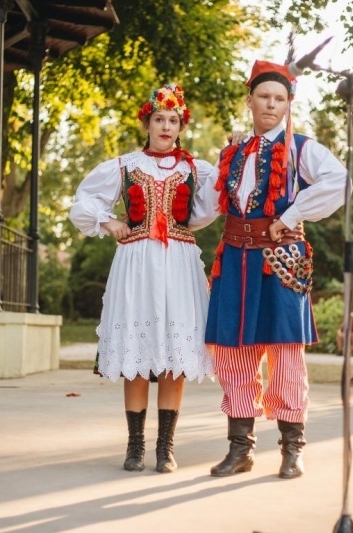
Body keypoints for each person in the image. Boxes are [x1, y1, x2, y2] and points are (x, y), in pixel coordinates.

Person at [205, 58, 347, 480]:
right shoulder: (231, 152)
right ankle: (240, 448)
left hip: (282, 256)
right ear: (249, 100)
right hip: (234, 257)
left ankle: (292, 449)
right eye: (264, 97)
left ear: (288, 104)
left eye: (280, 99)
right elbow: (205, 206)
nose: (271, 104)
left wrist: (292, 214)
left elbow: (340, 181)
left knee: (286, 353)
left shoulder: (302, 147)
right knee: (234, 351)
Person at [69, 83, 220, 474]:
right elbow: (83, 201)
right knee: (138, 356)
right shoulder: (124, 165)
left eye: (173, 120)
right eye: (159, 119)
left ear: (180, 125)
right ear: (147, 122)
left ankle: (165, 447)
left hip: (180, 262)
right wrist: (108, 220)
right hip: (136, 263)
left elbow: (212, 204)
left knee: (173, 354)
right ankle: (135, 445)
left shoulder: (194, 168)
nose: (166, 127)